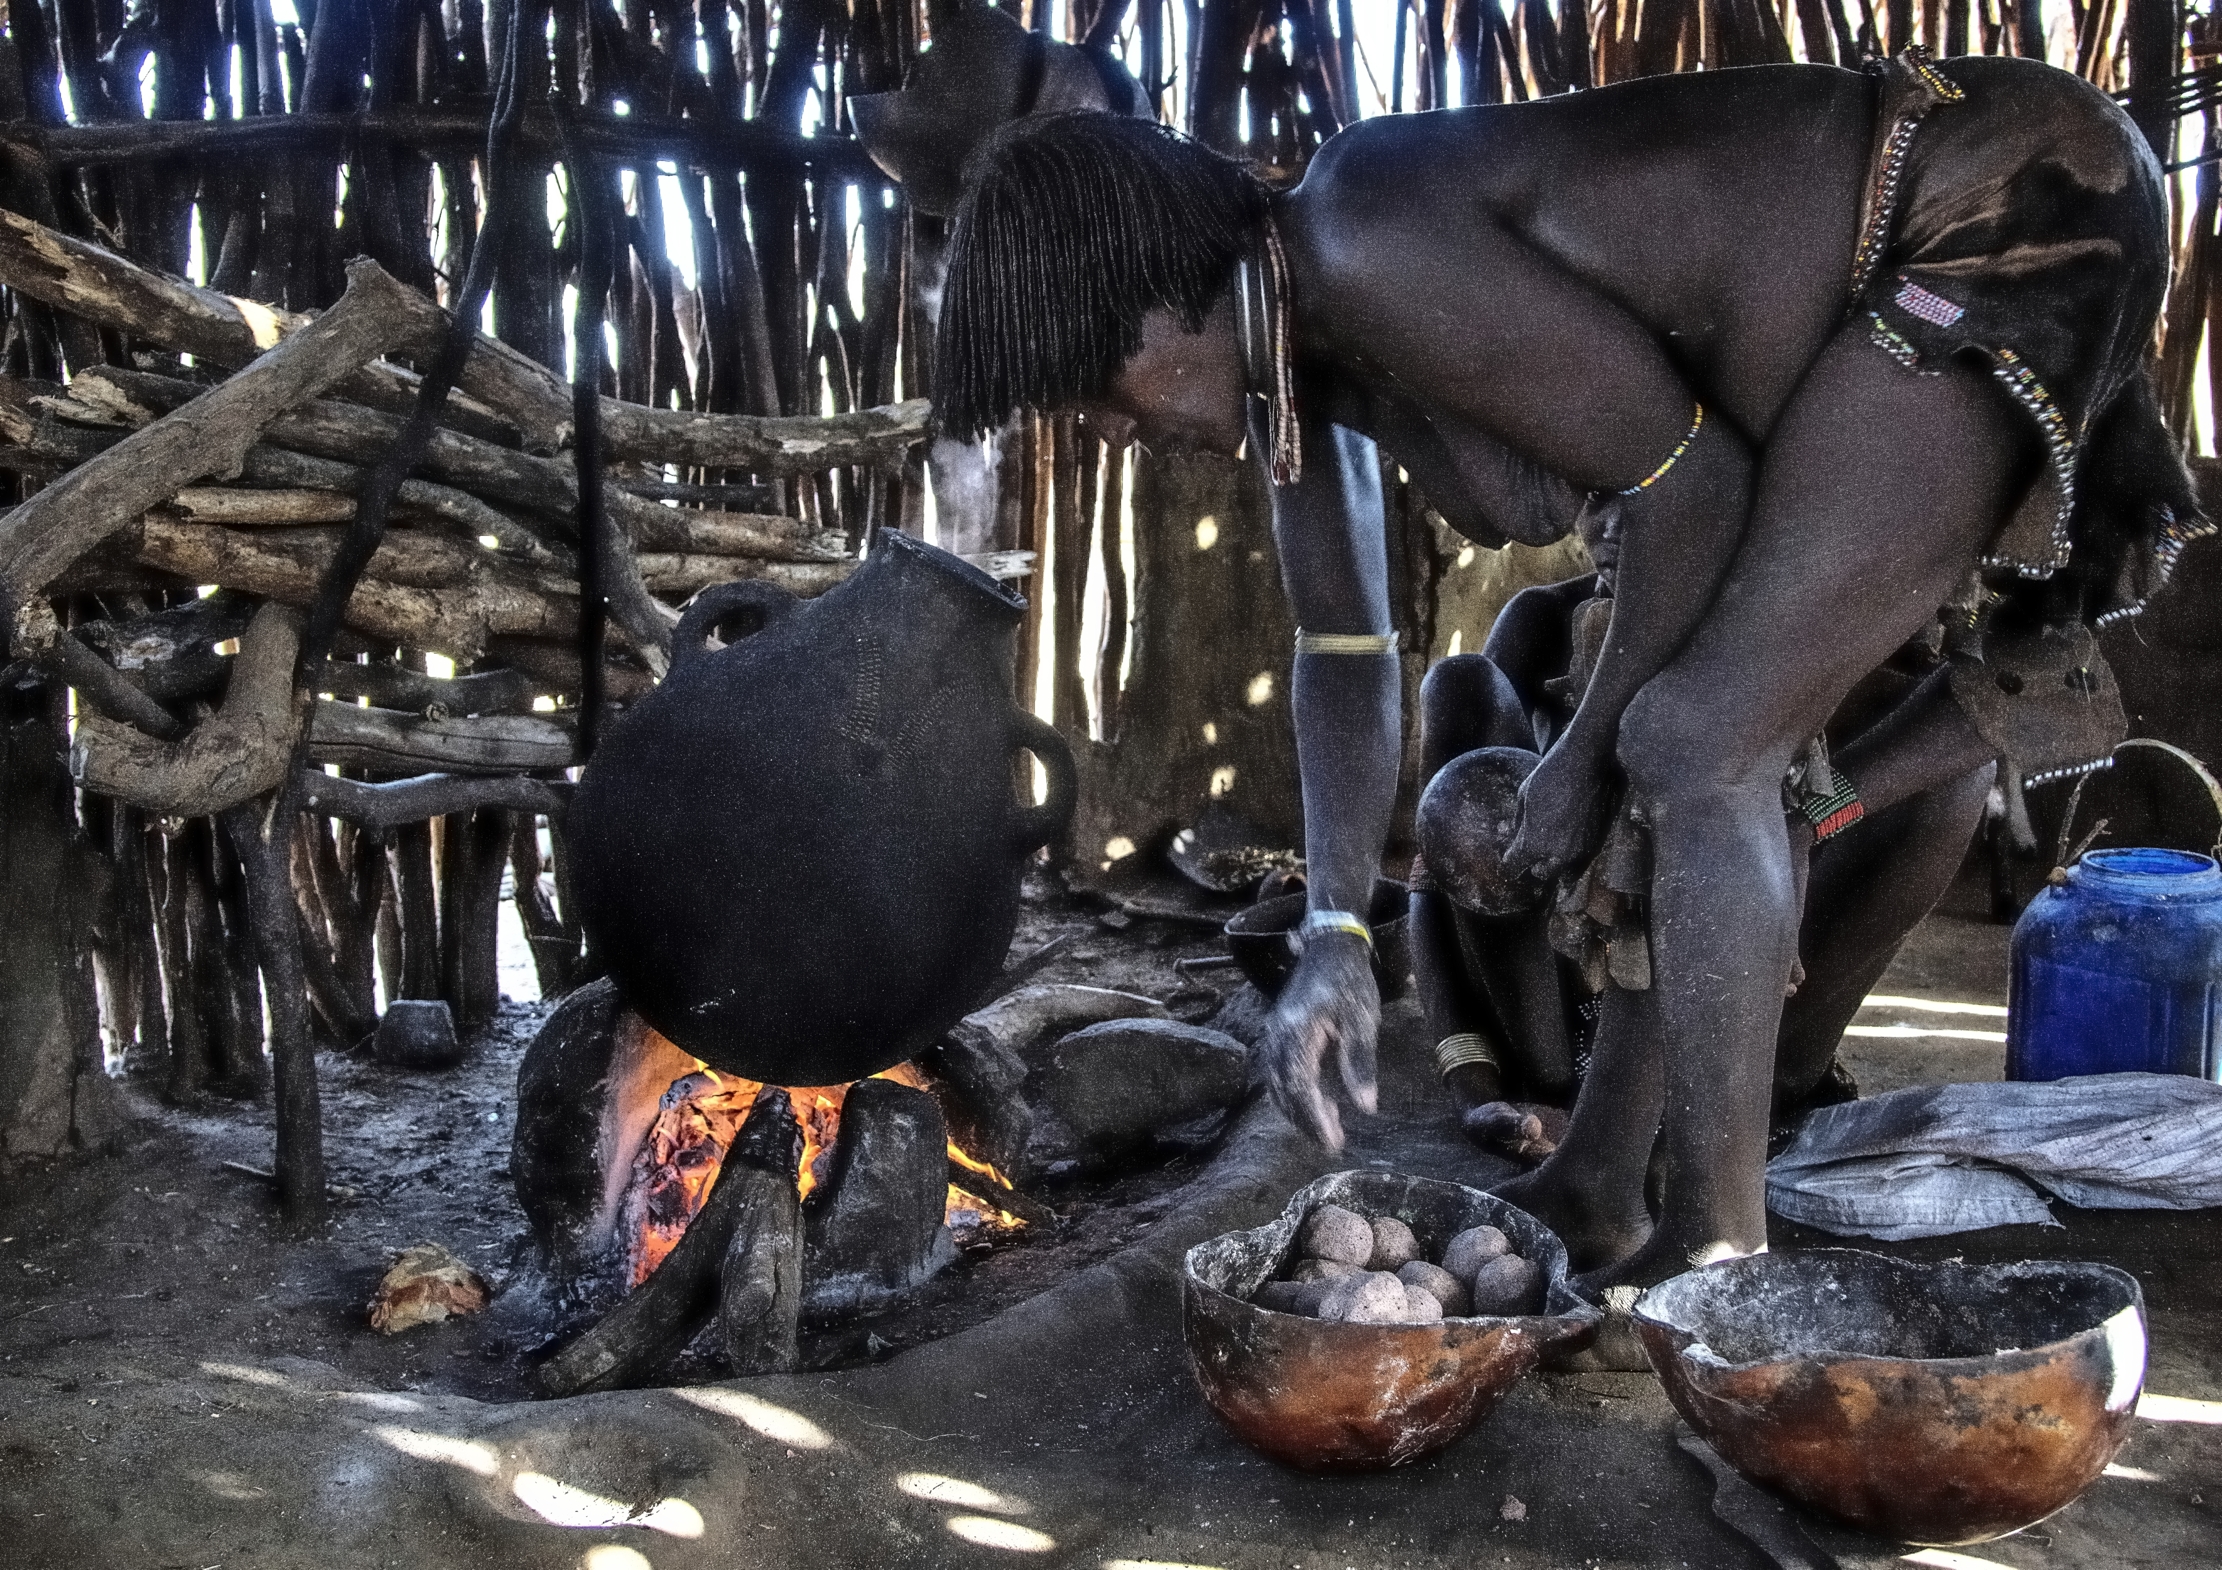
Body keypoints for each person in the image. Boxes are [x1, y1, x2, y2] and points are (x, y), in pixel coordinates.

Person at [932, 50, 2204, 1285]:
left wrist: (1581, 756)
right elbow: (1341, 651)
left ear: (1163, 291)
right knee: (1681, 743)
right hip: (1881, 295)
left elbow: (1688, 485)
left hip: (1989, 199)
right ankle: (1600, 1182)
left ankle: (1715, 1247)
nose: (1112, 430)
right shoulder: (1295, 376)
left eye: (1094, 385)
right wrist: (1331, 933)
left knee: (1692, 744)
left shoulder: (1361, 232)